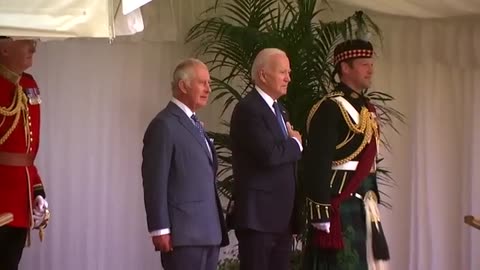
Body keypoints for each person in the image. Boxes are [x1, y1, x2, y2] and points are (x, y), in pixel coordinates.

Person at [302, 39, 390, 270]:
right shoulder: (330, 108)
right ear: (345, 67)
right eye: (363, 63)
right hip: (339, 202)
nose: (370, 69)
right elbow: (317, 163)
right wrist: (321, 211)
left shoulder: (365, 107)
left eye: (371, 63)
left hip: (364, 201)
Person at [141, 58, 228, 270]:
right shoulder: (164, 124)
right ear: (183, 85)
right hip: (184, 236)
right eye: (202, 83)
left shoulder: (194, 123)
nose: (208, 89)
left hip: (208, 233)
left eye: (209, 83)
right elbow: (155, 180)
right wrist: (160, 228)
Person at [228, 48, 303, 270]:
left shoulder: (281, 110)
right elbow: (269, 155)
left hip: (281, 218)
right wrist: (295, 143)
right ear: (263, 75)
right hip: (258, 219)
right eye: (283, 72)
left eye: (288, 72)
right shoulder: (248, 109)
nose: (288, 78)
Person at [0, 36, 50, 270]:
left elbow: (26, 153)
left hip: (21, 198)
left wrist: (36, 190)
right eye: (26, 41)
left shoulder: (29, 84)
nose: (33, 47)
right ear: (5, 48)